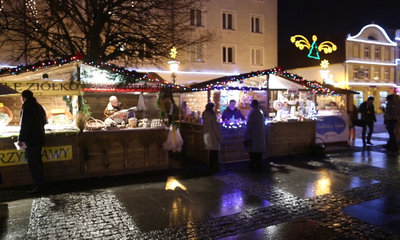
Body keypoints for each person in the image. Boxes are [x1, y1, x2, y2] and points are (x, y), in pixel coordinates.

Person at [17, 90, 47, 194]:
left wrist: (21, 139)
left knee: (33, 164)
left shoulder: (27, 107)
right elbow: (45, 121)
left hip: (31, 141)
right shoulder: (38, 106)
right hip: (39, 139)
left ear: (23, 97)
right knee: (37, 162)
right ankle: (38, 183)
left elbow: (25, 125)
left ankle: (38, 185)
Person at [244, 99, 266, 169]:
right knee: (259, 151)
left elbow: (249, 125)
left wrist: (246, 133)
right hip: (260, 134)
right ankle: (259, 163)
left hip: (253, 135)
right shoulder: (261, 113)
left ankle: (253, 163)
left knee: (252, 151)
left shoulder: (252, 113)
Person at [202, 102, 223, 171]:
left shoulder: (205, 115)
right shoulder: (213, 116)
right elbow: (216, 128)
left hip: (207, 135)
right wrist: (220, 137)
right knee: (215, 152)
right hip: (213, 136)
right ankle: (215, 166)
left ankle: (211, 165)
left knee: (211, 152)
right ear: (212, 108)